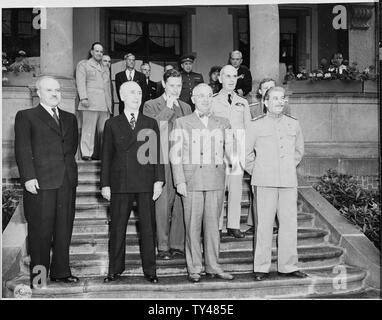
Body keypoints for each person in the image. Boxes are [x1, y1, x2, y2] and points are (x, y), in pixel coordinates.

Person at [14, 76, 79, 286]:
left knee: (64, 230)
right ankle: (39, 278)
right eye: (49, 90)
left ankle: (61, 272)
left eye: (58, 90)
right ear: (39, 93)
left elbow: (71, 149)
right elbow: (22, 149)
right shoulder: (27, 116)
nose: (55, 94)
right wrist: (28, 177)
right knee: (40, 233)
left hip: (66, 182)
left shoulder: (70, 118)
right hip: (40, 183)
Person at [101, 81, 165, 283]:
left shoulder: (150, 122)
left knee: (148, 228)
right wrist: (105, 184)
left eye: (139, 92)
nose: (137, 96)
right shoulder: (112, 123)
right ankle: (114, 269)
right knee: (117, 228)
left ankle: (150, 271)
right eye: (131, 93)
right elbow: (106, 157)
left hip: (146, 182)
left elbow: (156, 154)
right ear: (122, 96)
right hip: (120, 182)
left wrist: (159, 180)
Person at [171, 83, 234, 283]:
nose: (206, 99)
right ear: (193, 99)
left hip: (215, 178)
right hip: (192, 179)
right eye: (201, 96)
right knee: (192, 226)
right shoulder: (182, 122)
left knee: (213, 227)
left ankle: (214, 266)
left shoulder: (223, 122)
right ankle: (195, 267)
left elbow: (231, 153)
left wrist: (231, 172)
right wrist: (179, 180)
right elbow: (175, 154)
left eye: (209, 96)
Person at [245, 86, 307, 281]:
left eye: (282, 99)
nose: (279, 102)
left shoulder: (293, 124)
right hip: (264, 182)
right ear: (265, 102)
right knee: (263, 225)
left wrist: (287, 167)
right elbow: (246, 155)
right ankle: (261, 267)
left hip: (288, 181)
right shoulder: (255, 125)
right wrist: (259, 171)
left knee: (289, 224)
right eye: (275, 99)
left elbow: (299, 151)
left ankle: (288, 266)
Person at [143, 69, 192, 260]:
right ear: (164, 84)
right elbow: (150, 130)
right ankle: (162, 245)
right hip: (161, 160)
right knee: (162, 206)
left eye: (179, 85)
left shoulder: (186, 107)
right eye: (172, 85)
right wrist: (168, 108)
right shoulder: (151, 105)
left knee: (181, 203)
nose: (176, 89)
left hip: (182, 161)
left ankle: (177, 244)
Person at [211, 65, 251, 239]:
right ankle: (217, 226)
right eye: (227, 76)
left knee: (236, 189)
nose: (231, 80)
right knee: (218, 189)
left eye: (234, 76)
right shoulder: (211, 101)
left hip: (236, 151)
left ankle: (234, 225)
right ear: (219, 79)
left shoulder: (243, 102)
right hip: (218, 152)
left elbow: (248, 128)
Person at [76, 42, 112, 160]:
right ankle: (87, 153)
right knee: (89, 129)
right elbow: (80, 82)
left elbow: (107, 88)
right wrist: (83, 98)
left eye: (101, 51)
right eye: (97, 51)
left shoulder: (105, 67)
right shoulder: (84, 65)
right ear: (91, 52)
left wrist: (109, 105)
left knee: (104, 131)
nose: (99, 53)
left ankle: (104, 154)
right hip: (90, 103)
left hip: (103, 104)